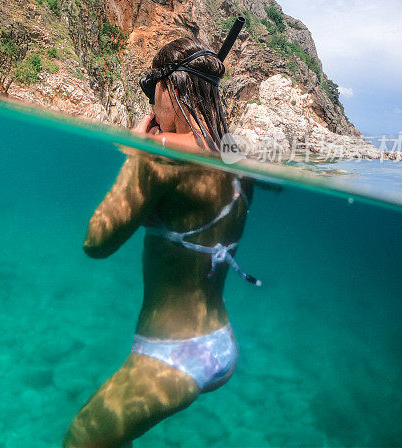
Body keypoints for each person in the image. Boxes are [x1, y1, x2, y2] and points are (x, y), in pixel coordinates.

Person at [62, 37, 259, 448]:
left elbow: (96, 241)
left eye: (154, 95)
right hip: (220, 341)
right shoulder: (239, 155)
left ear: (170, 88)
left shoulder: (159, 157)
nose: (153, 109)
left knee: (81, 440)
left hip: (170, 353)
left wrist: (138, 152)